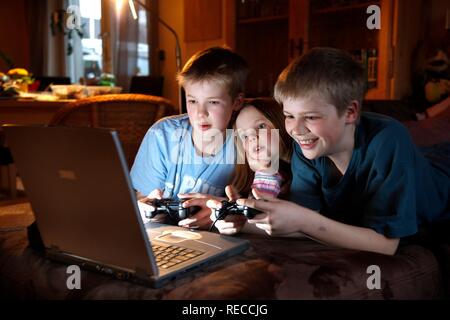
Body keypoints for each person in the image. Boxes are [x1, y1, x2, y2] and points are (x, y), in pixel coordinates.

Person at [237, 47, 450, 255]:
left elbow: (386, 244)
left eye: (311, 117)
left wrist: (303, 220)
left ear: (350, 112)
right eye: (289, 116)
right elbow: (300, 221)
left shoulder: (388, 138)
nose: (296, 130)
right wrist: (238, 219)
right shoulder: (307, 148)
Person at [130, 46, 249, 229]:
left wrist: (225, 211)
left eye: (213, 102)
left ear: (236, 102)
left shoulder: (251, 140)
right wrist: (147, 207)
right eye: (192, 101)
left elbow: (266, 207)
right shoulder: (162, 135)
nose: (200, 113)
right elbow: (139, 197)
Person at [209, 98, 293, 235]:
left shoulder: (298, 174)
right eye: (245, 136)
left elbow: (261, 212)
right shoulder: (257, 178)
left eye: (261, 126)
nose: (253, 136)